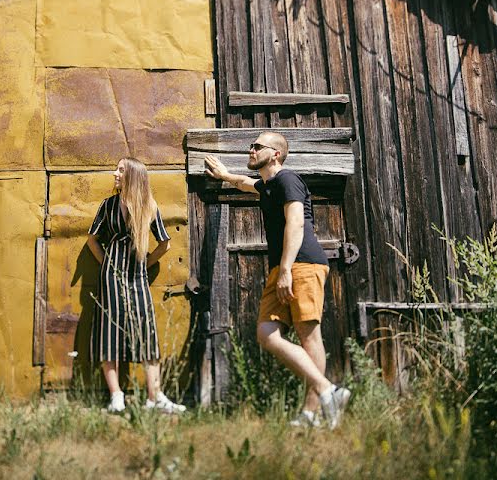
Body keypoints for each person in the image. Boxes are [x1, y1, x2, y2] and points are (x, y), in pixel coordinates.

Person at [204, 132, 351, 429]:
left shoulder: (288, 179)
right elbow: (247, 184)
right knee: (267, 334)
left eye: (257, 146)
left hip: (302, 264)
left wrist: (285, 269)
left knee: (309, 336)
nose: (251, 148)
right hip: (283, 267)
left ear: (275, 154)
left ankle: (311, 413)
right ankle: (327, 391)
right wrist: (224, 175)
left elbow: (296, 222)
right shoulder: (269, 185)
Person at [86, 157, 186, 414]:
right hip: (111, 276)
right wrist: (107, 262)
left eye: (120, 170)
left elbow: (165, 244)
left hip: (138, 278)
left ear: (132, 176)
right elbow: (92, 240)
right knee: (109, 332)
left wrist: (147, 263)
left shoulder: (149, 207)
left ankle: (155, 396)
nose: (115, 173)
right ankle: (116, 396)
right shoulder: (108, 206)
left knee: (146, 333)